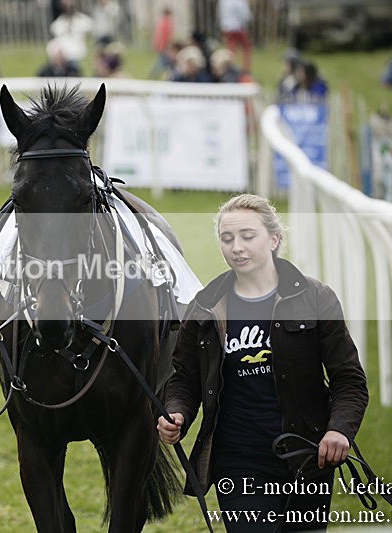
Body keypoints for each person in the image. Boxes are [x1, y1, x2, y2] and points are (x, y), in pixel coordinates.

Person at [158, 194, 368, 532]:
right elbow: (185, 377)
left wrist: (338, 429)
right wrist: (177, 410)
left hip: (308, 457)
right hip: (239, 460)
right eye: (227, 239)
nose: (236, 247)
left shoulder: (316, 298)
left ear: (273, 239)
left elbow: (349, 380)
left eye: (247, 236)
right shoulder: (206, 306)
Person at [217, 0, 252, 73]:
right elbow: (245, 14)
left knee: (231, 49)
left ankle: (228, 68)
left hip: (227, 27)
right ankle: (246, 69)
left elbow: (220, 13)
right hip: (238, 27)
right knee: (247, 48)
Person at [150, 7, 174, 78]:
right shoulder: (166, 23)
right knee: (164, 61)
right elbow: (167, 35)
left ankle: (169, 74)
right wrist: (167, 45)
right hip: (164, 45)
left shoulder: (161, 22)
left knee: (165, 60)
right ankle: (154, 73)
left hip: (161, 45)